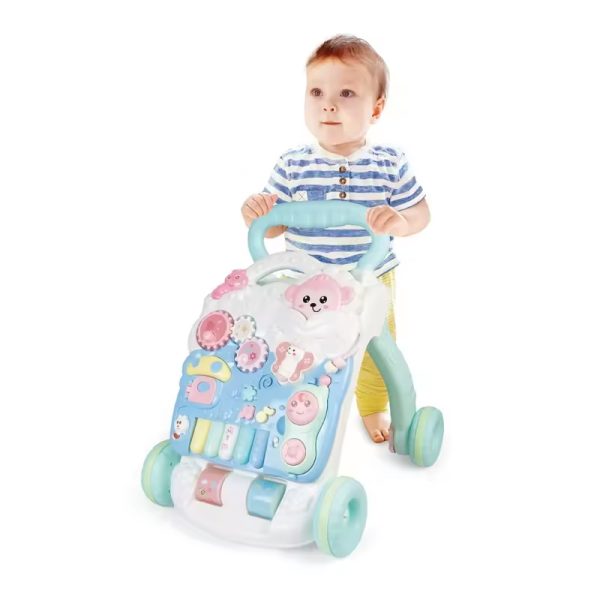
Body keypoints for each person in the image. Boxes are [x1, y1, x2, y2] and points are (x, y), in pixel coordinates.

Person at [241, 35, 430, 443]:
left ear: (375, 108)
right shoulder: (292, 165)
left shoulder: (389, 163)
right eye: (317, 92)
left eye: (346, 93)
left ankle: (373, 407)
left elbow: (420, 213)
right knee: (298, 348)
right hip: (304, 284)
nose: (328, 104)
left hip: (369, 277)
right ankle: (297, 410)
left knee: (375, 351)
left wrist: (399, 221)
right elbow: (272, 227)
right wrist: (257, 214)